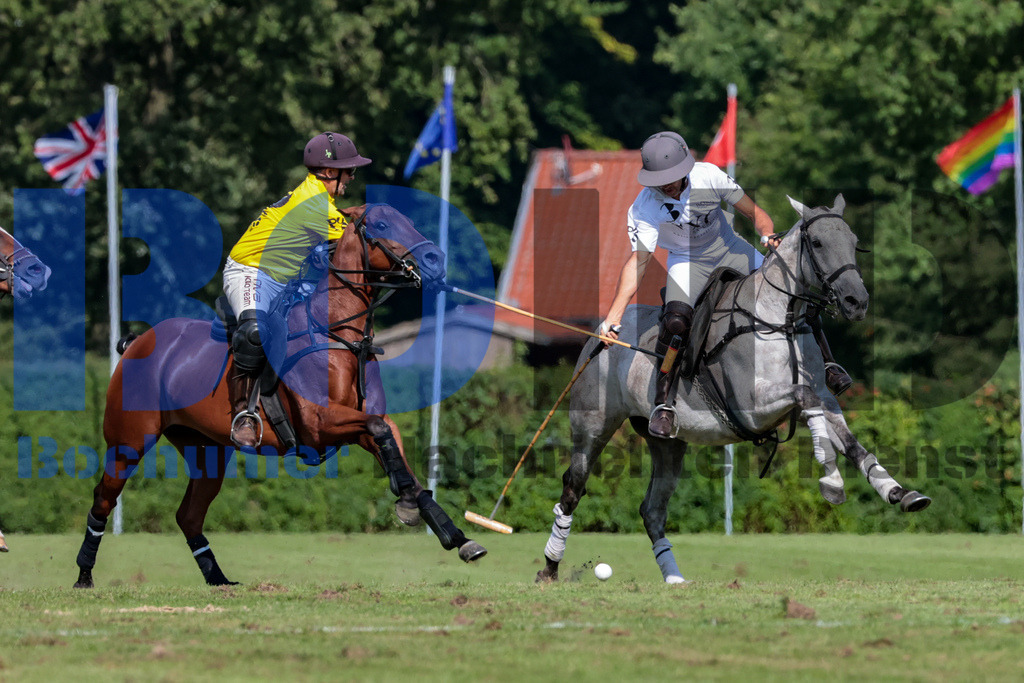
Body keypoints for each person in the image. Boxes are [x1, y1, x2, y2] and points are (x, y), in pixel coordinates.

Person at [601, 131, 851, 439]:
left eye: (672, 176)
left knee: (796, 293)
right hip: (686, 262)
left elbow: (755, 212)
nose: (666, 184)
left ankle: (829, 365)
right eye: (659, 178)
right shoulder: (644, 208)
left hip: (730, 249)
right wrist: (614, 315)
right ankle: (663, 402)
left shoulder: (708, 176)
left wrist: (766, 234)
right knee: (676, 322)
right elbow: (637, 263)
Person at [223, 132, 371, 447]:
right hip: (251, 271)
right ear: (330, 172)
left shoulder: (323, 200)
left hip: (285, 279)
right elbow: (355, 239)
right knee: (255, 332)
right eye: (350, 171)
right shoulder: (313, 203)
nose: (352, 178)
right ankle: (243, 416)